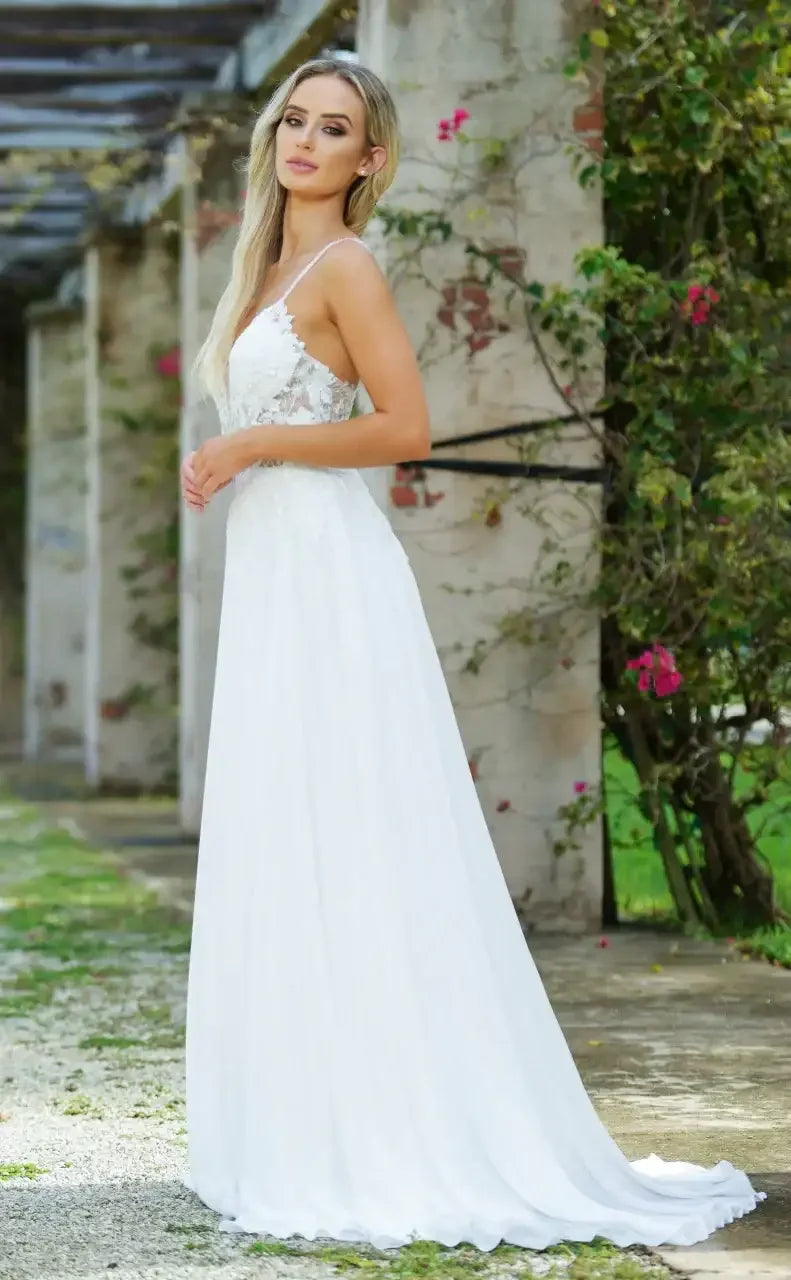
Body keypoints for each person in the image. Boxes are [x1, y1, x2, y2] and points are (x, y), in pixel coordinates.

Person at [179, 56, 765, 1252]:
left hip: (332, 576)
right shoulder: (267, 267)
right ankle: (293, 1124)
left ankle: (388, 1129)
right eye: (292, 118)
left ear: (368, 159)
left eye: (330, 127)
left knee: (351, 827)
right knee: (284, 827)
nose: (301, 140)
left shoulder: (345, 267)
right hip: (279, 575)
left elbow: (405, 427)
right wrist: (243, 458)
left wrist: (249, 448)